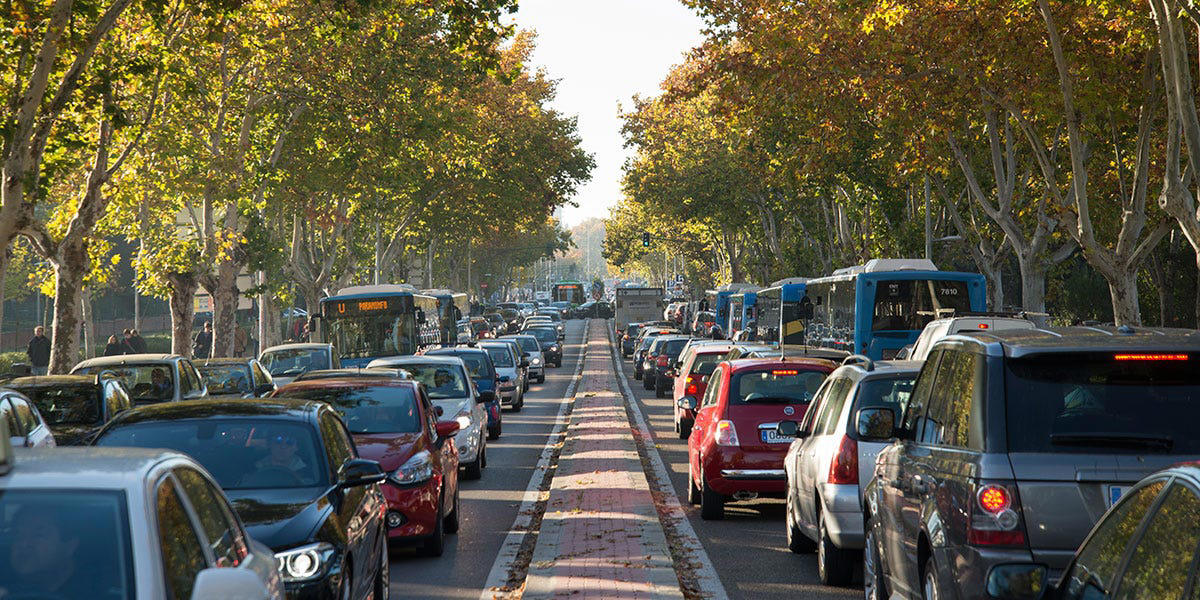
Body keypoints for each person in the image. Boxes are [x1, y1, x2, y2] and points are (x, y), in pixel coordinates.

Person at [0, 507, 89, 598]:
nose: (23, 544)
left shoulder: (92, 590)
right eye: (18, 534)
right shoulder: (4, 580)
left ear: (70, 546)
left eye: (38, 535)